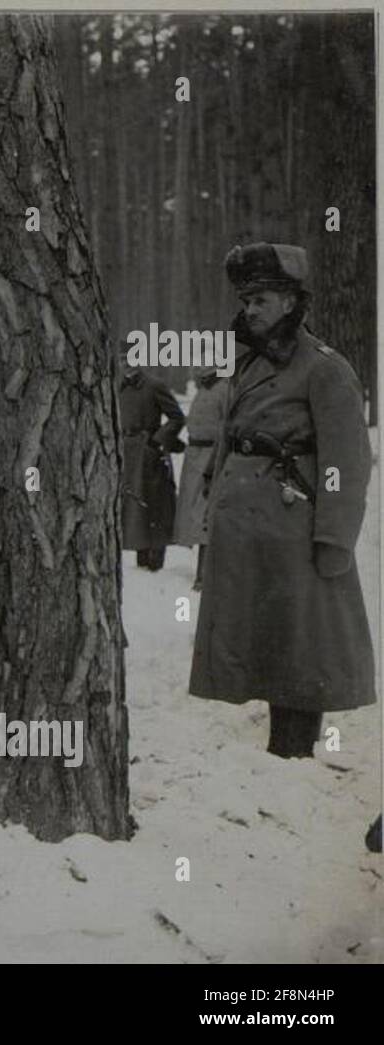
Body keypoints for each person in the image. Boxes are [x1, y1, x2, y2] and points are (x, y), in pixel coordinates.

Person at [190, 242, 376, 758]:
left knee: (302, 644)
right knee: (267, 641)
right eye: (247, 300)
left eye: (263, 300)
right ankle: (282, 747)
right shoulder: (249, 365)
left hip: (296, 528)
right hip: (252, 529)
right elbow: (231, 436)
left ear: (292, 302)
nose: (250, 309)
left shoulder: (325, 368)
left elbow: (347, 463)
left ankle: (296, 750)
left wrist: (335, 538)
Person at [118, 363, 185, 571]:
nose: (126, 364)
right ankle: (140, 551)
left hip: (148, 452)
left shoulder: (154, 385)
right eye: (122, 359)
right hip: (125, 451)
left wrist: (156, 441)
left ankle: (155, 557)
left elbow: (177, 417)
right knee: (134, 503)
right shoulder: (118, 386)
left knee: (155, 501)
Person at [173, 365, 228, 590]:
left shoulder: (224, 389)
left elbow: (226, 426)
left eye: (201, 365)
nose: (196, 370)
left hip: (210, 457)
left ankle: (205, 574)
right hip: (195, 456)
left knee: (206, 514)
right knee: (194, 515)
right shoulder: (204, 389)